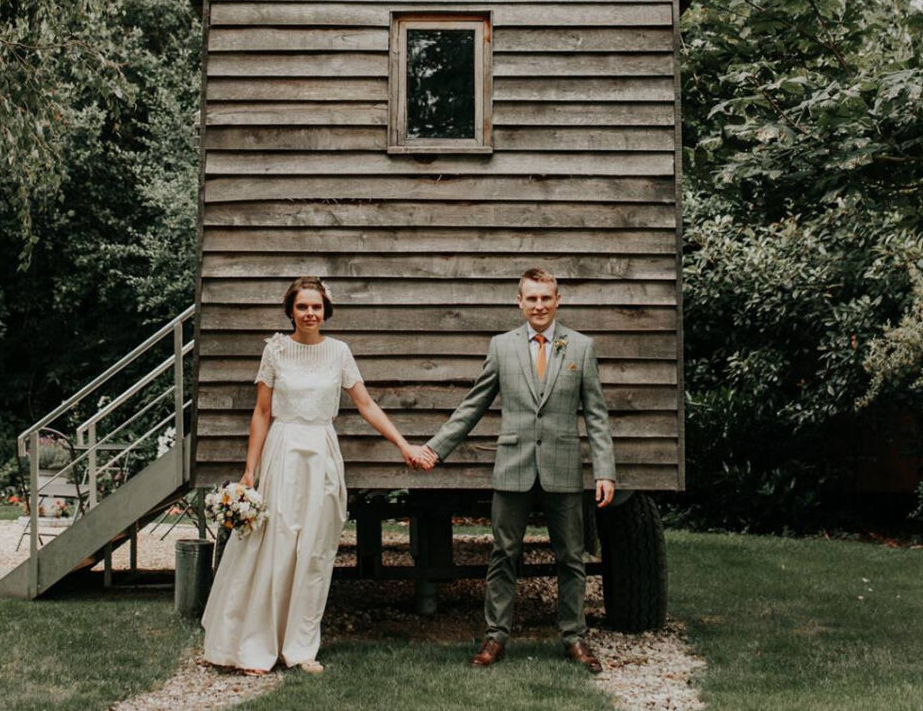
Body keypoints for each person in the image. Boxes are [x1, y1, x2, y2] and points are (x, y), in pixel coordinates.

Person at [201, 275, 431, 674]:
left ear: (326, 311)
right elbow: (261, 413)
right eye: (303, 306)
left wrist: (404, 445)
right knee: (274, 545)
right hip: (283, 451)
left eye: (317, 307)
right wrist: (249, 471)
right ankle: (256, 645)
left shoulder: (340, 352)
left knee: (315, 551)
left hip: (322, 454)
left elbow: (366, 405)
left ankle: (301, 648)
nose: (310, 313)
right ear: (290, 310)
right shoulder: (275, 351)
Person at [418, 267, 617, 672]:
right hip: (513, 467)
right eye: (532, 298)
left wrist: (605, 470)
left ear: (557, 300)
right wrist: (435, 450)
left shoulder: (580, 347)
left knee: (571, 558)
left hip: (562, 468)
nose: (539, 305)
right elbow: (473, 405)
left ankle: (574, 637)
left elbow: (596, 415)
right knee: (503, 554)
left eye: (546, 298)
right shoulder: (501, 347)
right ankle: (494, 638)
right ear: (519, 301)